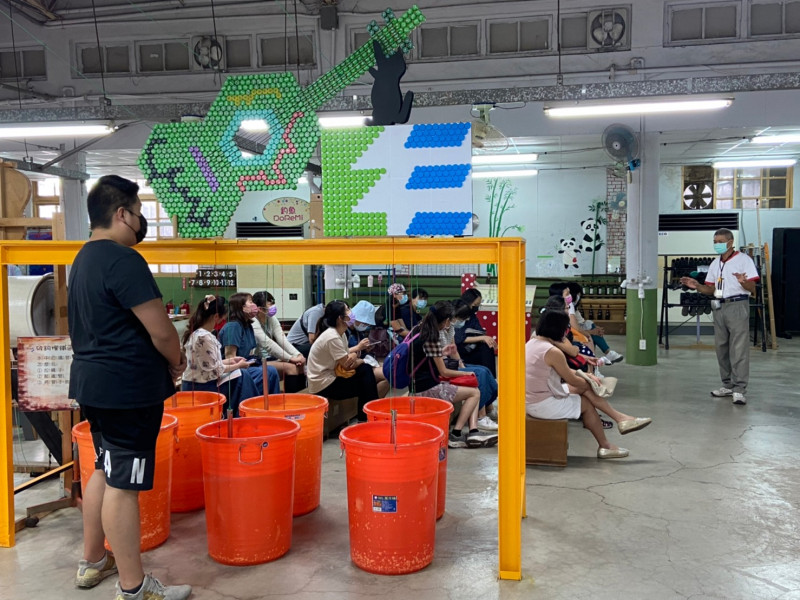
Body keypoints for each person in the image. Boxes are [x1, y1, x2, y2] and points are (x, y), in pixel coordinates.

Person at [67, 175, 191, 600]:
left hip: (93, 385)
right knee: (124, 485)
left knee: (104, 468)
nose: (141, 222)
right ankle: (134, 588)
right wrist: (177, 361)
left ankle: (93, 561)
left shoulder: (83, 259)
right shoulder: (123, 260)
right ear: (121, 214)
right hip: (127, 390)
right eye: (138, 214)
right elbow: (162, 331)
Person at [526, 310, 652, 459]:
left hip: (533, 398)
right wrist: (590, 381)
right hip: (541, 404)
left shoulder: (533, 343)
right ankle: (609, 439)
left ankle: (619, 421)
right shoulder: (552, 351)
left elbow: (563, 370)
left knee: (584, 388)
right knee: (586, 400)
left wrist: (586, 376)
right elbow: (572, 379)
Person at [680, 228, 758, 405]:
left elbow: (753, 288)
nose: (717, 245)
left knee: (738, 348)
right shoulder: (715, 264)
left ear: (730, 242)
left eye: (720, 242)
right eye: (715, 242)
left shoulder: (744, 260)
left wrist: (744, 282)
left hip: (737, 305)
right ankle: (727, 384)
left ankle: (739, 389)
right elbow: (711, 289)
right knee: (721, 347)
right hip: (719, 306)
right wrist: (697, 286)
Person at [408, 301, 498, 448]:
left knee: (474, 385)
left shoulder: (421, 330)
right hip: (426, 387)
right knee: (474, 392)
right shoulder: (432, 338)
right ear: (446, 321)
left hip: (420, 382)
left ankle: (473, 431)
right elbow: (444, 371)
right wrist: (466, 372)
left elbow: (426, 357)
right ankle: (456, 434)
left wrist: (444, 353)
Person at [181, 295, 258, 417]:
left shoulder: (200, 334)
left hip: (202, 381)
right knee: (243, 377)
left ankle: (246, 413)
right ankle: (246, 414)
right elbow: (215, 369)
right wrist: (238, 365)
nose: (222, 322)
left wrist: (231, 361)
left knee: (243, 376)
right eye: (222, 319)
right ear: (216, 317)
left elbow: (210, 363)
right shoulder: (203, 337)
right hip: (200, 387)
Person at [306, 300, 383, 421]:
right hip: (323, 384)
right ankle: (367, 417)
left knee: (366, 372)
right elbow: (347, 365)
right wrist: (361, 360)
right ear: (340, 318)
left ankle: (367, 417)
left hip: (332, 375)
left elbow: (345, 353)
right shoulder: (332, 337)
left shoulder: (340, 333)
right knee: (366, 378)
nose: (351, 312)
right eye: (347, 309)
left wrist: (356, 352)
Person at [218, 292, 280, 396]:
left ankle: (272, 402)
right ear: (242, 307)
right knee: (264, 374)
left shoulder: (247, 326)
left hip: (247, 364)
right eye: (250, 302)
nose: (254, 305)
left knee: (272, 371)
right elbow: (230, 357)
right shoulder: (233, 327)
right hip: (232, 370)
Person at [251, 291, 307, 393]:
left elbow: (282, 339)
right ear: (259, 308)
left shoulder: (271, 318)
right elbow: (268, 344)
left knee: (300, 366)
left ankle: (300, 398)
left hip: (270, 357)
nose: (273, 306)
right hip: (257, 360)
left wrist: (297, 355)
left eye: (273, 303)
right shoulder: (253, 322)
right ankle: (291, 399)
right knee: (292, 368)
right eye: (270, 304)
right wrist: (290, 358)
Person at [455, 288, 497, 377]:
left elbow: (479, 331)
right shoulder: (456, 314)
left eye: (478, 305)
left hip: (471, 348)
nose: (476, 307)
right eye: (475, 305)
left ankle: (491, 378)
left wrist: (488, 340)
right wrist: (483, 338)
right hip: (458, 351)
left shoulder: (472, 316)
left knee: (487, 347)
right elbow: (459, 338)